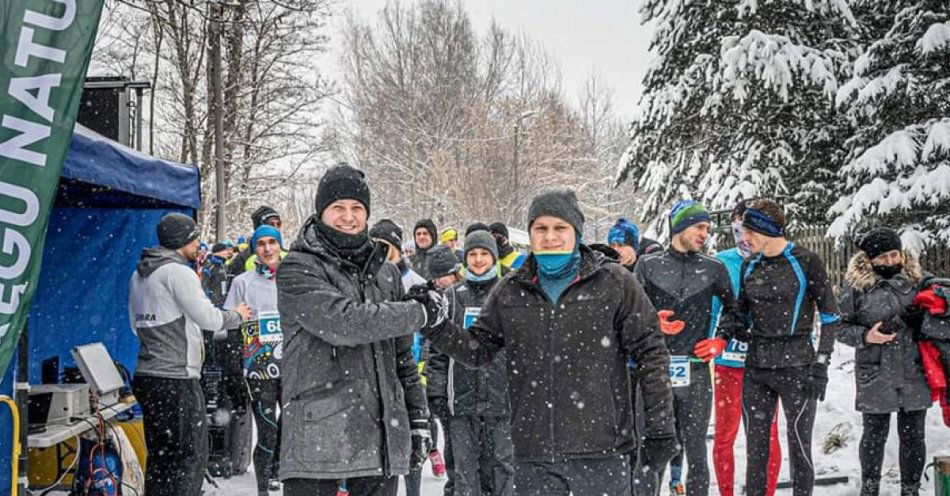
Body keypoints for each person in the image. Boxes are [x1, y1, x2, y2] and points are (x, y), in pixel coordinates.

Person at [414, 189, 677, 495]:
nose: (550, 237)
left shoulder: (614, 282)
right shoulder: (511, 289)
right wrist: (437, 326)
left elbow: (651, 352)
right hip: (533, 456)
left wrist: (660, 425)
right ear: (530, 234)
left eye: (560, 228)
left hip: (602, 452)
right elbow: (477, 350)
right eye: (541, 228)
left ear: (576, 233)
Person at [276, 164, 440, 496]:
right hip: (318, 443)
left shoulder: (386, 274)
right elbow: (344, 323)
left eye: (357, 208)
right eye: (338, 207)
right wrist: (418, 312)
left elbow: (402, 358)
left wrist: (417, 418)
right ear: (321, 212)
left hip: (381, 437)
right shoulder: (298, 267)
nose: (348, 217)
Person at [128, 213, 252, 496]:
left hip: (148, 375)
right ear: (181, 240)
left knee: (161, 457)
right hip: (177, 378)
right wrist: (236, 316)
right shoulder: (177, 272)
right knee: (190, 456)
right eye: (195, 238)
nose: (199, 244)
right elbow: (208, 317)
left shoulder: (139, 274)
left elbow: (135, 326)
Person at [633, 200, 743, 496]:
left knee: (696, 451)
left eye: (707, 228)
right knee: (649, 452)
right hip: (655, 372)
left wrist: (720, 340)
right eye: (699, 227)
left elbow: (735, 311)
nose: (704, 234)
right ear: (680, 227)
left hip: (695, 373)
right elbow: (628, 312)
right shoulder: (648, 265)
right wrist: (652, 321)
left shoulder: (713, 268)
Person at [737, 199, 841, 496]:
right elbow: (742, 314)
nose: (743, 239)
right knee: (756, 451)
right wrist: (733, 325)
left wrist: (821, 364)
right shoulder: (750, 264)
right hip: (757, 369)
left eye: (748, 232)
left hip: (798, 367)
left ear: (765, 229)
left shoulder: (805, 260)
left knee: (799, 446)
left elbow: (831, 317)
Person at [837, 227, 931, 496]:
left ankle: (910, 489)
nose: (890, 261)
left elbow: (937, 316)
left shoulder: (917, 281)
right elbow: (839, 328)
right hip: (875, 371)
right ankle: (869, 488)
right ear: (870, 260)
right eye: (882, 258)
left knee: (914, 436)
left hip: (913, 368)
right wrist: (867, 336)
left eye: (894, 255)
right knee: (874, 435)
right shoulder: (856, 288)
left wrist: (923, 322)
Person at [428, 230, 514, 496]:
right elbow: (438, 351)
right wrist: (436, 390)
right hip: (461, 403)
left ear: (494, 257)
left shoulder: (510, 293)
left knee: (503, 469)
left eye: (484, 254)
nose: (478, 260)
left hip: (502, 402)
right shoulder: (452, 296)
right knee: (464, 472)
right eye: (473, 254)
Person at [369, 220, 448, 495]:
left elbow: (431, 323)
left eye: (387, 248)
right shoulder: (365, 280)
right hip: (381, 365)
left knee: (418, 423)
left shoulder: (414, 279)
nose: (382, 253)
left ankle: (416, 484)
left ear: (399, 250)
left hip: (413, 360)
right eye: (376, 246)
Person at [711, 200, 782, 496]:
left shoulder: (777, 259)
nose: (743, 237)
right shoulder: (721, 262)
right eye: (737, 228)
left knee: (767, 435)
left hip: (765, 365)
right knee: (725, 435)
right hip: (728, 363)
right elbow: (711, 311)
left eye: (748, 229)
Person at [224, 224, 287, 496]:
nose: (267, 248)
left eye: (272, 242)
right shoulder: (242, 282)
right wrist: (234, 367)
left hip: (292, 364)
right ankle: (263, 490)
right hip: (258, 368)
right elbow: (228, 326)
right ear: (254, 250)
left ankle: (280, 471)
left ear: (279, 245)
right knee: (268, 429)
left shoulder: (294, 278)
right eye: (261, 244)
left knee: (292, 425)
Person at [230, 206, 282, 280]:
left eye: (278, 224)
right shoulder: (242, 259)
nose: (276, 228)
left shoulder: (288, 254)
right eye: (271, 224)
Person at [202, 243, 231, 307]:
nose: (228, 252)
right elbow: (204, 285)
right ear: (219, 252)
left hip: (223, 302)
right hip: (212, 304)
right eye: (225, 250)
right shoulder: (209, 266)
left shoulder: (224, 266)